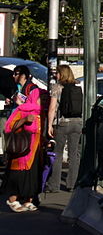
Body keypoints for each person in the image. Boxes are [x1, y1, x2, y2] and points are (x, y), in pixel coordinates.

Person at [2, 66, 43, 212]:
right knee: (18, 169)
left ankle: (28, 199)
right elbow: (12, 123)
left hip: (32, 137)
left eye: (16, 73)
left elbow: (36, 108)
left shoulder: (31, 89)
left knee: (30, 170)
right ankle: (13, 199)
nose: (14, 76)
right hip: (21, 137)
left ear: (24, 75)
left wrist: (22, 107)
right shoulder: (18, 90)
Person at [45, 65, 82, 192]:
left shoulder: (57, 87)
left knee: (58, 153)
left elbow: (52, 108)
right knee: (74, 154)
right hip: (77, 122)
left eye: (57, 73)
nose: (56, 75)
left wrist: (49, 125)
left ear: (62, 74)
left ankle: (54, 185)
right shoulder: (78, 86)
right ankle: (72, 184)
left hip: (62, 123)